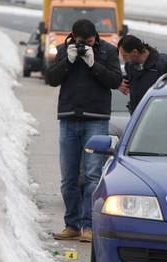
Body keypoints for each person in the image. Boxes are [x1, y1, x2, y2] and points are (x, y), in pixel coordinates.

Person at [46, 19, 122, 242]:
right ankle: (72, 225)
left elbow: (115, 80)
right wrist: (68, 61)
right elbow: (51, 79)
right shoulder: (63, 50)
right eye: (82, 42)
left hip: (95, 119)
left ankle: (89, 226)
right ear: (73, 36)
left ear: (95, 36)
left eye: (89, 41)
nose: (85, 45)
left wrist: (93, 64)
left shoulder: (107, 51)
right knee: (68, 177)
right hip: (69, 118)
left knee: (92, 176)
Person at [117, 35, 167, 114]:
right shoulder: (130, 66)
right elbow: (132, 81)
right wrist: (119, 84)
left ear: (135, 52)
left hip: (161, 116)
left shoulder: (164, 63)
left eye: (125, 56)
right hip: (138, 118)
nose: (123, 60)